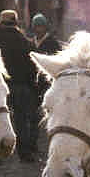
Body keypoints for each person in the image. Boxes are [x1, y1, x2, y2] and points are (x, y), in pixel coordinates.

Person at [0, 10, 38, 162]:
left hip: (0, 87)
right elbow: (33, 67)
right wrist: (31, 85)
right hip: (21, 86)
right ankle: (24, 153)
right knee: (21, 121)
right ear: (16, 22)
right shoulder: (25, 41)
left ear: (1, 23)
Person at [30, 13, 62, 153]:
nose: (39, 29)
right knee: (33, 115)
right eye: (36, 26)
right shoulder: (30, 43)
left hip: (47, 84)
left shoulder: (53, 43)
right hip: (33, 84)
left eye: (41, 26)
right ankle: (33, 141)